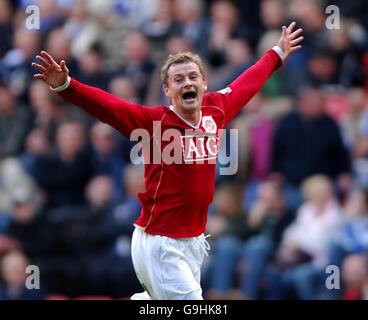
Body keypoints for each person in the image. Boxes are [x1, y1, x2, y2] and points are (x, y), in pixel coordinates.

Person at [32, 22, 303, 300]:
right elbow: (107, 107)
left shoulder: (216, 109)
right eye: (179, 79)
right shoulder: (154, 123)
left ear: (204, 83)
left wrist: (277, 52)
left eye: (193, 76)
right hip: (161, 243)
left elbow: (248, 82)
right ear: (167, 89)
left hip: (193, 241)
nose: (187, 82)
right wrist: (66, 85)